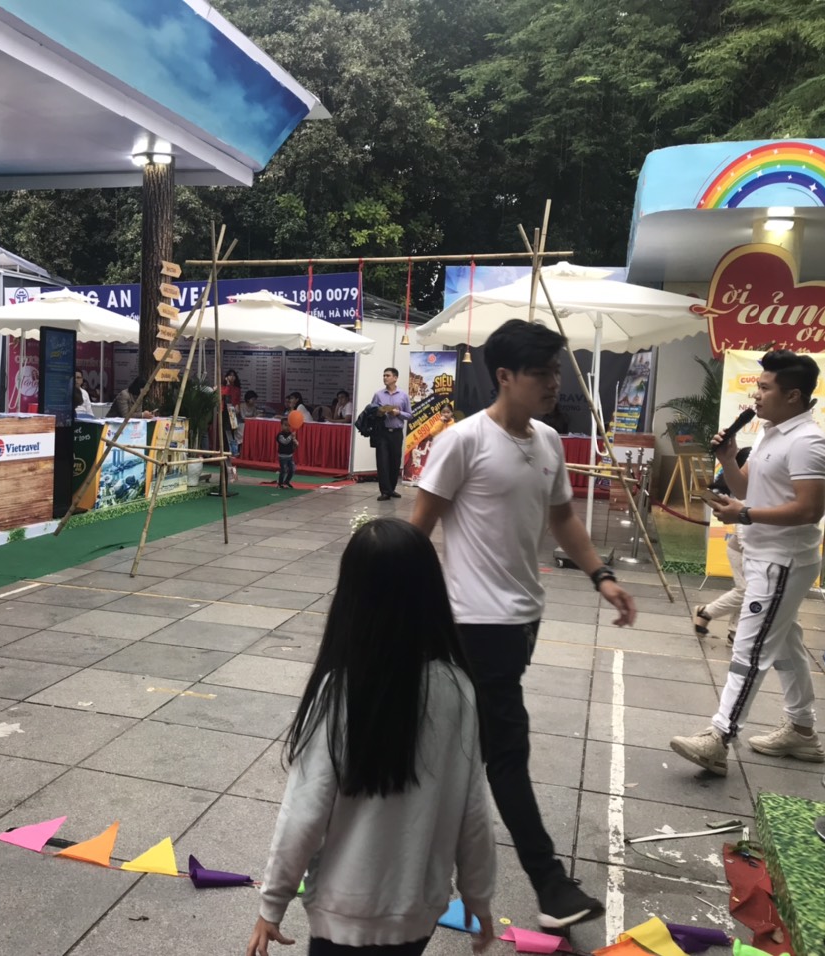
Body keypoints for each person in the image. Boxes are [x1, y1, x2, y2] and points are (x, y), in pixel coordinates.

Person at [411, 319, 636, 930]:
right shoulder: (462, 442)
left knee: (459, 745)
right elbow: (417, 530)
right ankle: (550, 886)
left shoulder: (549, 441)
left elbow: (563, 519)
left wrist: (601, 576)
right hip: (474, 623)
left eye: (556, 371)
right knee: (507, 750)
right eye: (541, 373)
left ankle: (395, 853)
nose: (554, 382)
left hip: (523, 620)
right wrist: (393, 607)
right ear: (504, 376)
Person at [248, 518, 495, 956]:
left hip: (342, 912)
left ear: (351, 599)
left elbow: (303, 813)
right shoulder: (457, 689)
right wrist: (478, 895)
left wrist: (272, 904)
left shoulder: (339, 690)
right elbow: (473, 809)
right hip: (417, 912)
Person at [671, 350, 825, 776]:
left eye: (765, 388)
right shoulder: (770, 432)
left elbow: (809, 509)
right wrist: (728, 458)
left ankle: (719, 737)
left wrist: (745, 514)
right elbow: (750, 490)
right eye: (758, 387)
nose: (756, 395)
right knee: (786, 646)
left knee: (752, 647)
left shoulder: (808, 442)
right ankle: (802, 730)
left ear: (793, 395)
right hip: (763, 554)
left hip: (782, 561)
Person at [692, 447, 753, 645]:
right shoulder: (743, 492)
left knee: (746, 591)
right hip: (742, 550)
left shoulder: (750, 490)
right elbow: (743, 532)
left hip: (744, 550)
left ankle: (735, 632)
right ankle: (706, 612)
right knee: (746, 591)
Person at [371, 368, 411, 501]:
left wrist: (398, 413)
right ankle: (384, 491)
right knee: (382, 462)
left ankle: (391, 489)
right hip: (382, 432)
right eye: (384, 375)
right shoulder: (378, 395)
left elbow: (410, 415)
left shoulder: (403, 395)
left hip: (396, 433)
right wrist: (380, 412)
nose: (385, 378)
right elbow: (371, 412)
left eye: (387, 375)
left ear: (395, 378)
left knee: (395, 461)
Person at [277, 418, 298, 489]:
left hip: (290, 456)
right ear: (281, 426)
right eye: (285, 425)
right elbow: (285, 442)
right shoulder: (280, 435)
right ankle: (280, 483)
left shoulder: (290, 434)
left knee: (292, 469)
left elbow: (295, 444)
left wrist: (295, 442)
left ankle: (287, 481)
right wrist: (291, 436)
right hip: (282, 457)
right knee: (283, 470)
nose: (287, 427)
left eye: (289, 425)